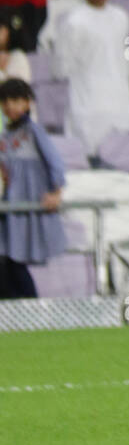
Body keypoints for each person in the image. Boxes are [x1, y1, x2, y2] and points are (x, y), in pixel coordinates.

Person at [54, 0, 129, 155]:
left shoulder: (123, 17)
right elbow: (60, 69)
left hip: (121, 103)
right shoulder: (73, 21)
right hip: (87, 107)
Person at [0, 78, 65, 300]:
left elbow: (54, 160)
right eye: (5, 101)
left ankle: (31, 306)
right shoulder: (5, 137)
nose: (10, 106)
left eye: (16, 100)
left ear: (27, 103)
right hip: (10, 206)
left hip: (27, 205)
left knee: (13, 259)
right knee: (6, 259)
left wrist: (57, 190)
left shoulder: (33, 131)